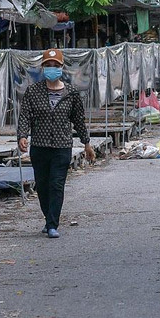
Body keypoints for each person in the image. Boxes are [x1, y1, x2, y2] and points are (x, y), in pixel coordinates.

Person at [17, 49, 95, 238]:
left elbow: (78, 120)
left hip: (62, 147)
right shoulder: (33, 91)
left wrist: (86, 143)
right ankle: (48, 218)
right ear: (43, 67)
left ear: (61, 67)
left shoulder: (71, 93)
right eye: (48, 65)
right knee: (43, 186)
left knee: (57, 184)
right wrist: (22, 136)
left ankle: (53, 224)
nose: (52, 68)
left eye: (55, 65)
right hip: (40, 146)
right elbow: (25, 115)